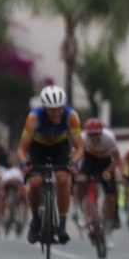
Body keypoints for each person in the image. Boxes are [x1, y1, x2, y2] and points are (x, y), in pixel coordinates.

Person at [17, 85, 83, 245]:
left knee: (63, 179)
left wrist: (74, 163)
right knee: (35, 182)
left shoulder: (71, 116)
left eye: (59, 109)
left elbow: (80, 147)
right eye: (52, 110)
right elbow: (21, 149)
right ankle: (35, 220)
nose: (56, 113)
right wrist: (25, 163)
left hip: (59, 146)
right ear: (44, 107)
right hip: (38, 147)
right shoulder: (34, 118)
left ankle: (61, 225)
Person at [76, 118, 123, 234]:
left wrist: (111, 171)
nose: (93, 137)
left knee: (112, 196)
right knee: (80, 181)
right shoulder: (82, 138)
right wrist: (75, 171)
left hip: (105, 163)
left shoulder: (109, 138)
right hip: (89, 161)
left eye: (96, 134)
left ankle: (109, 222)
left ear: (101, 132)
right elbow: (76, 156)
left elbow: (117, 159)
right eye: (90, 134)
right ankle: (80, 209)